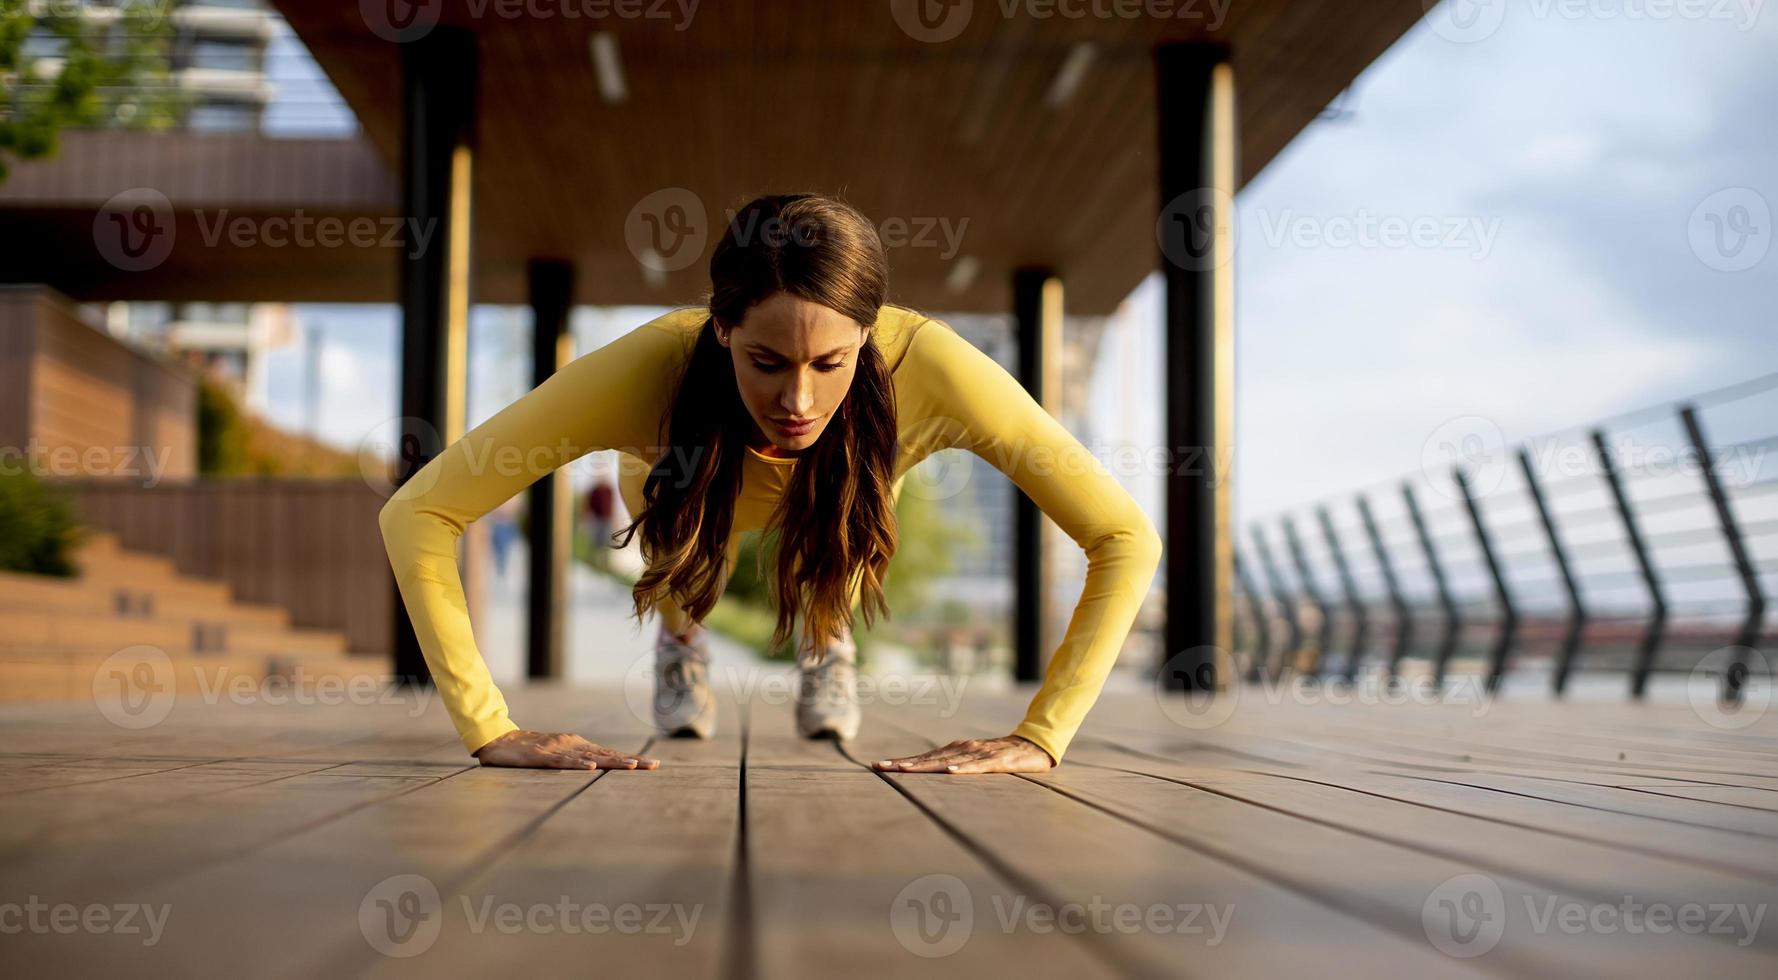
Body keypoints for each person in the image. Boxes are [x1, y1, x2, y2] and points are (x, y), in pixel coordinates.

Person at [378, 193, 1162, 775]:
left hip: (843, 494)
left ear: (867, 333)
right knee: (683, 535)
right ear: (721, 329)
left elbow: (1125, 539)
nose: (798, 401)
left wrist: (1040, 736)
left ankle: (829, 643)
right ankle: (682, 645)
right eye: (766, 362)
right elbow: (420, 512)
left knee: (850, 500)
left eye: (830, 364)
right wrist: (490, 728)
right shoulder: (647, 368)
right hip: (681, 487)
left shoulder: (936, 367)